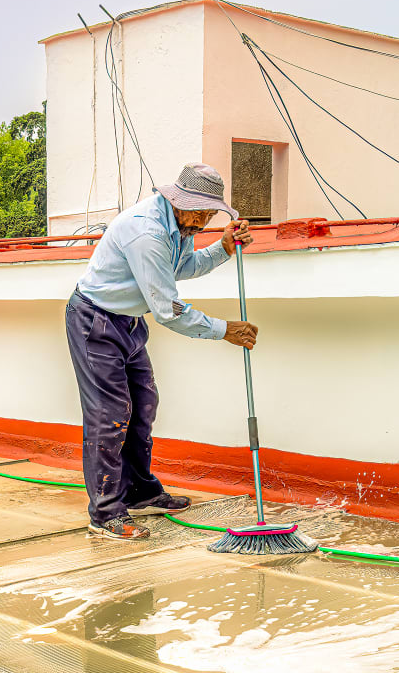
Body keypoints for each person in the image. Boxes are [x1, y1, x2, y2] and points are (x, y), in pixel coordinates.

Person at [66, 163, 257, 540]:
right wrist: (224, 329)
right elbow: (168, 308)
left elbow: (182, 266)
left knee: (143, 404)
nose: (204, 220)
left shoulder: (179, 225)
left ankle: (138, 492)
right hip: (95, 322)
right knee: (110, 414)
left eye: (209, 213)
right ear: (177, 200)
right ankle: (105, 513)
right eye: (199, 212)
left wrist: (222, 248)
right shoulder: (147, 232)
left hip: (129, 321)